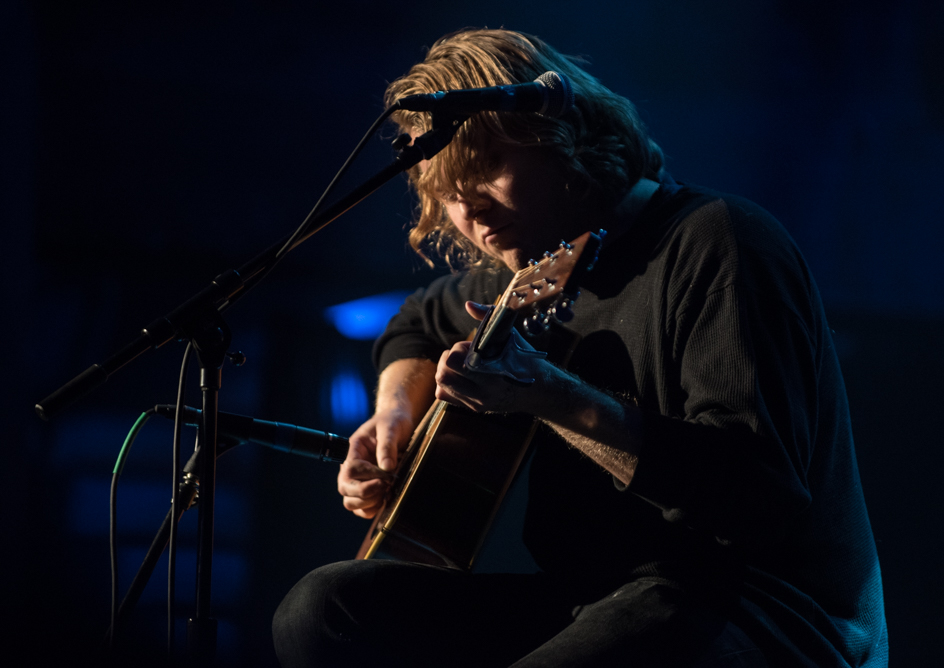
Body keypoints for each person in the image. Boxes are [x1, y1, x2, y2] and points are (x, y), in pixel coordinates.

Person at [272, 28, 888, 667]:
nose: (471, 210)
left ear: (562, 138)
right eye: (448, 193)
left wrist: (549, 395)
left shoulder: (719, 240)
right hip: (591, 600)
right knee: (324, 609)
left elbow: (757, 497)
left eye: (487, 168)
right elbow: (417, 322)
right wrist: (395, 414)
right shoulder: (531, 267)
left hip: (753, 610)